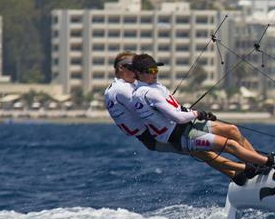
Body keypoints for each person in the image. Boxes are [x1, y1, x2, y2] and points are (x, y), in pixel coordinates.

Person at [130, 53, 275, 184]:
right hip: (179, 135)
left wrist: (194, 113)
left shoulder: (152, 87)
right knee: (230, 145)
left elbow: (175, 109)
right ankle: (271, 162)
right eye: (150, 71)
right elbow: (177, 117)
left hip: (187, 126)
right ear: (138, 74)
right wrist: (197, 114)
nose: (155, 74)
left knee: (232, 130)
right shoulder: (148, 92)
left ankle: (257, 163)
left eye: (156, 70)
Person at [105, 51, 248, 182]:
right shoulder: (124, 89)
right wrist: (179, 112)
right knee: (202, 152)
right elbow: (148, 110)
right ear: (121, 68)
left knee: (208, 147)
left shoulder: (115, 88)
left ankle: (242, 172)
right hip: (154, 136)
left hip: (156, 133)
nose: (135, 72)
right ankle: (244, 172)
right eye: (132, 68)